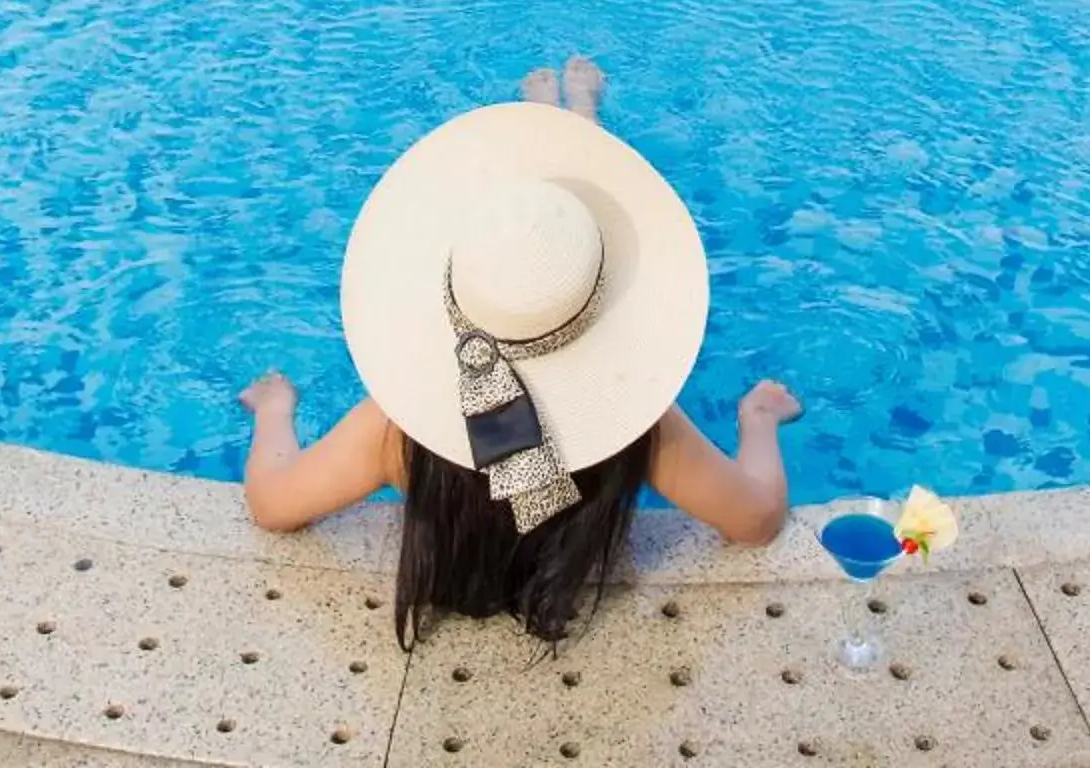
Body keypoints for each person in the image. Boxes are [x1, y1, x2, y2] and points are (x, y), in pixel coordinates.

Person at [238, 56, 804, 647]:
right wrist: (756, 423)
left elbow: (274, 505)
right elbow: (758, 519)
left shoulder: (395, 430)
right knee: (559, 241)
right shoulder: (637, 423)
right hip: (584, 333)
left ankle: (561, 131)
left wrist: (276, 413)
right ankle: (576, 129)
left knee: (534, 237)